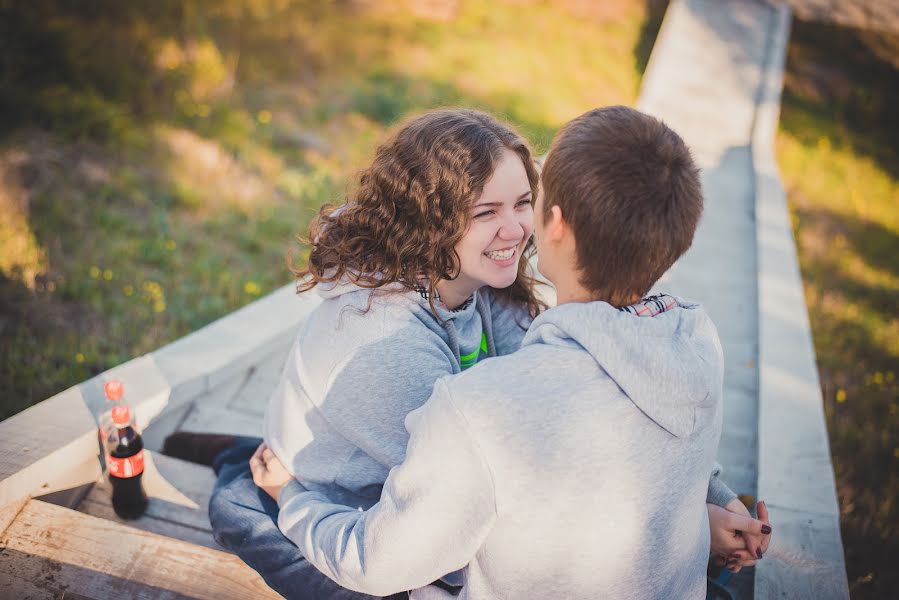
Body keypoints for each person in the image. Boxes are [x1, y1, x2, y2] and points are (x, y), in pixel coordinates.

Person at [249, 106, 773, 599]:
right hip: (349, 510)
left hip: (426, 506)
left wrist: (707, 494)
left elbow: (586, 416)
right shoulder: (383, 345)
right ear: (427, 220)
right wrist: (685, 523)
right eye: (486, 211)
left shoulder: (483, 289)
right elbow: (467, 525)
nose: (517, 228)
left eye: (524, 203)